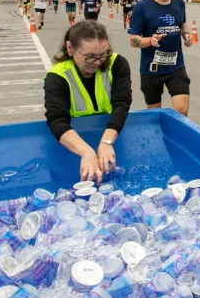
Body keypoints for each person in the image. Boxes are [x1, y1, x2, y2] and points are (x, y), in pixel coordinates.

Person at [43, 20, 133, 184]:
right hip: (73, 145)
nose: (98, 62)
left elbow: (122, 103)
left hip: (110, 137)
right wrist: (86, 152)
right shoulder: (57, 76)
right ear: (70, 48)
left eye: (103, 54)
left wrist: (106, 142)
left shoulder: (117, 64)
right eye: (90, 57)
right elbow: (57, 120)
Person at [127, 0, 193, 115]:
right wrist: (150, 40)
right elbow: (133, 40)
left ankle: (175, 136)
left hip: (176, 66)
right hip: (151, 68)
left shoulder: (179, 4)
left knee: (181, 110)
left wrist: (186, 35)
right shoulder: (141, 7)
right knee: (154, 114)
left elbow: (182, 23)